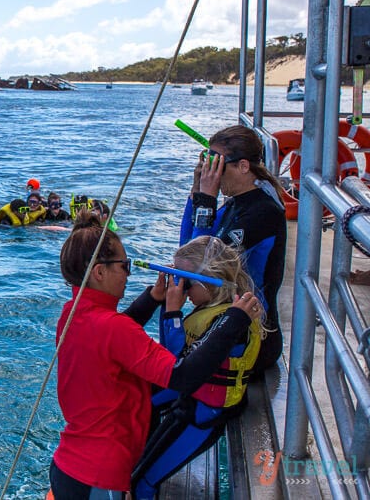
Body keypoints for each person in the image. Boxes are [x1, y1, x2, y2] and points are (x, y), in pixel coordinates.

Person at [49, 208, 262, 499]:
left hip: (69, 464)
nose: (128, 273)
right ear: (100, 272)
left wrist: (151, 300)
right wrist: (234, 320)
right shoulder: (115, 328)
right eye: (124, 266)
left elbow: (113, 336)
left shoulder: (71, 314)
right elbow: (183, 377)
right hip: (98, 475)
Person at [131, 236, 266, 499]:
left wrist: (172, 311)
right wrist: (164, 305)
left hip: (203, 415)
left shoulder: (231, 320)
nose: (182, 289)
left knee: (142, 484)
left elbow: (176, 365)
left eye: (186, 282)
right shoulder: (212, 309)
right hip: (189, 401)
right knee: (138, 399)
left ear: (211, 279)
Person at [179, 125, 286, 373]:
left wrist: (207, 198)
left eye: (217, 164)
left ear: (243, 166)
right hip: (226, 325)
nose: (212, 172)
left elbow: (201, 269)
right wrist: (196, 193)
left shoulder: (263, 212)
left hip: (254, 337)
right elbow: (186, 253)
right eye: (208, 162)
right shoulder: (234, 205)